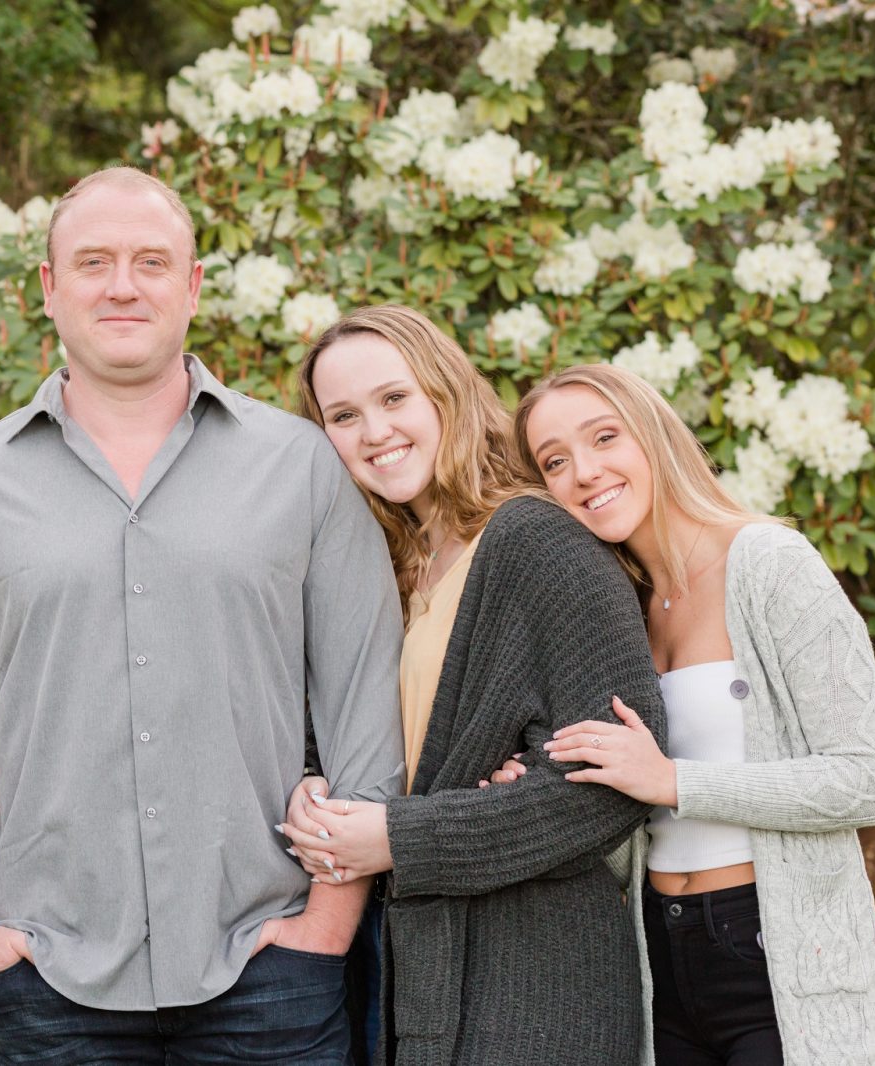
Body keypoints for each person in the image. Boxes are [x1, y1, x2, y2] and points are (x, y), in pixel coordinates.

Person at [0, 165, 406, 1065]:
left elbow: (364, 697)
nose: (122, 285)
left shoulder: (301, 467)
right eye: (93, 262)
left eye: (151, 262)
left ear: (193, 285)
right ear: (50, 289)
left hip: (271, 958)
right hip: (45, 972)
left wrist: (328, 921)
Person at [280, 305, 666, 1066]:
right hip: (418, 965)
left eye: (395, 399)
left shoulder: (535, 539)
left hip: (538, 978)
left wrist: (396, 837)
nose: (375, 431)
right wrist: (311, 779)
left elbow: (610, 785)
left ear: (445, 394)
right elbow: (372, 731)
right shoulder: (391, 563)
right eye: (344, 415)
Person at [508, 362, 875, 1065]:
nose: (584, 472)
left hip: (776, 953)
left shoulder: (769, 563)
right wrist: (537, 790)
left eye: (605, 437)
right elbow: (627, 800)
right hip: (658, 954)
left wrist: (676, 782)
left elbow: (872, 779)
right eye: (555, 461)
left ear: (655, 435)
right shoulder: (619, 606)